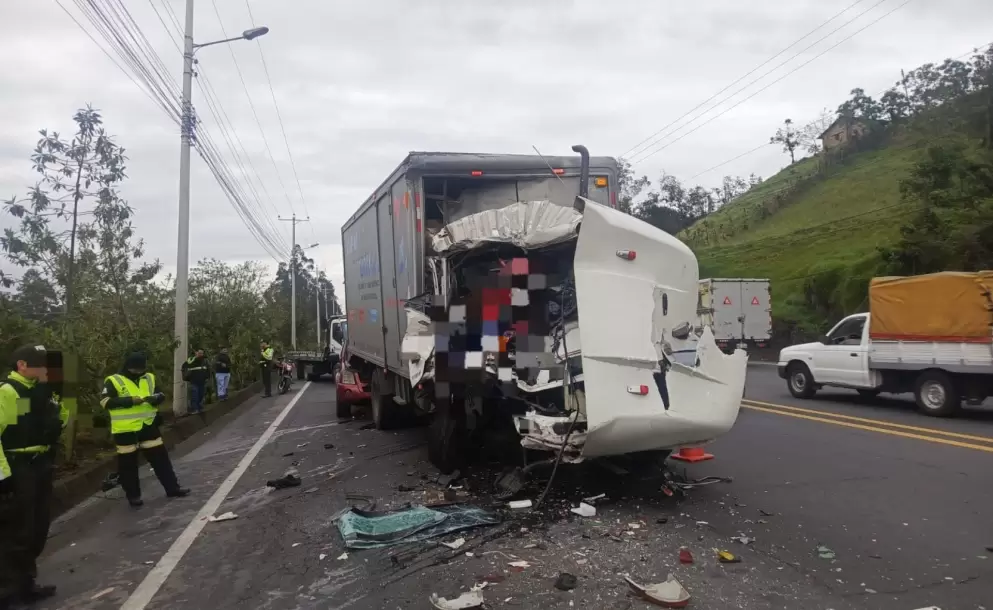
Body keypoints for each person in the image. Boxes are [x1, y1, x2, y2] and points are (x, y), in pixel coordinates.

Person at [0, 344, 68, 607]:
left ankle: (26, 584)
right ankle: (7, 591)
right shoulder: (7, 392)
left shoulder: (41, 392)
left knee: (37, 529)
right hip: (18, 467)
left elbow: (57, 420)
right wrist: (3, 476)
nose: (45, 370)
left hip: (40, 464)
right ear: (22, 365)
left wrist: (56, 406)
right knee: (16, 530)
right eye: (40, 365)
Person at [101, 352, 189, 508]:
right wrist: (129, 401)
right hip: (125, 431)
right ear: (128, 367)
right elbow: (105, 402)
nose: (138, 372)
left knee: (161, 461)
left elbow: (161, 394)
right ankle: (134, 496)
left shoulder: (149, 378)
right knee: (128, 466)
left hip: (148, 426)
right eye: (135, 369)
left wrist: (156, 398)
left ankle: (173, 488)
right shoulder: (113, 380)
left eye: (141, 369)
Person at [181, 349, 210, 415]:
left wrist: (207, 377)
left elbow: (208, 369)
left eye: (201, 353)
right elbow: (184, 367)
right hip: (193, 381)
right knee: (195, 395)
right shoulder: (191, 360)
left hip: (202, 381)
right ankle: (195, 409)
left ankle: (199, 407)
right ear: (196, 353)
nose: (200, 354)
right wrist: (186, 376)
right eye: (199, 353)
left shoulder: (205, 361)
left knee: (201, 395)